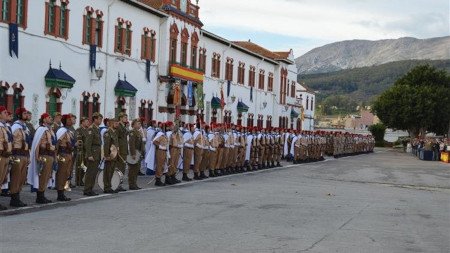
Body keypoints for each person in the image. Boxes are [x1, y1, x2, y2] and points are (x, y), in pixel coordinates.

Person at [28, 113, 56, 204]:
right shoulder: (41, 129)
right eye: (49, 117)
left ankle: (42, 194)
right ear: (44, 119)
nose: (51, 118)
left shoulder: (50, 130)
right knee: (42, 176)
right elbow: (37, 144)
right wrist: (36, 157)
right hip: (43, 155)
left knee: (47, 176)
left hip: (50, 155)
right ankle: (39, 196)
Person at [9, 108, 30, 207]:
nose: (26, 115)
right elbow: (10, 140)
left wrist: (28, 155)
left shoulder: (25, 127)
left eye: (26, 113)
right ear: (19, 115)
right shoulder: (15, 127)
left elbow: (28, 142)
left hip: (24, 154)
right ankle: (14, 198)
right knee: (16, 177)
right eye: (24, 113)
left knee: (22, 178)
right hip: (17, 154)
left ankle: (17, 196)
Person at [55, 114, 74, 201]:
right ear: (65, 121)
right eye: (69, 120)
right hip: (63, 154)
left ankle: (62, 191)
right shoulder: (62, 131)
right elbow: (58, 143)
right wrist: (55, 155)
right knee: (61, 174)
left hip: (69, 154)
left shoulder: (68, 131)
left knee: (66, 174)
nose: (71, 121)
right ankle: (60, 193)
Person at [83, 113, 103, 196]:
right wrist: (89, 154)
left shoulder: (97, 128)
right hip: (93, 153)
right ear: (95, 119)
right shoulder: (91, 129)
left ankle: (90, 188)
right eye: (99, 119)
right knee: (90, 172)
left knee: (94, 172)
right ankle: (87, 189)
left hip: (97, 153)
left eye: (101, 119)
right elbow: (88, 143)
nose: (101, 120)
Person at [102, 117, 119, 194]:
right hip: (110, 155)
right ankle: (106, 187)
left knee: (111, 171)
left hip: (114, 155)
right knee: (107, 172)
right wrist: (106, 155)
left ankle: (109, 186)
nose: (117, 124)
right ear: (111, 123)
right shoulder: (107, 133)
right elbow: (106, 145)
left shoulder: (114, 132)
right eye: (116, 123)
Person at [128, 119, 144, 190]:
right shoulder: (132, 132)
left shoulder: (138, 132)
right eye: (138, 123)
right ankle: (131, 184)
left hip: (138, 152)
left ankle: (134, 183)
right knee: (132, 169)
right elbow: (132, 144)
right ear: (133, 125)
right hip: (134, 153)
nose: (139, 125)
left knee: (136, 169)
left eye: (140, 123)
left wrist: (142, 152)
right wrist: (133, 154)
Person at [116, 113, 128, 192]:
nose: (126, 119)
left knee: (122, 169)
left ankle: (120, 184)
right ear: (120, 118)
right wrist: (117, 148)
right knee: (119, 168)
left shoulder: (123, 126)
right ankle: (117, 184)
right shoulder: (118, 126)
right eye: (125, 117)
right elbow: (116, 137)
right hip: (120, 150)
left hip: (124, 150)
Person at [75, 117, 89, 186]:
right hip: (81, 151)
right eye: (86, 122)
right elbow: (79, 141)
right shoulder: (79, 130)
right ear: (82, 122)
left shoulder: (87, 130)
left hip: (86, 151)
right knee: (80, 166)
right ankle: (78, 181)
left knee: (85, 166)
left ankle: (81, 179)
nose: (88, 123)